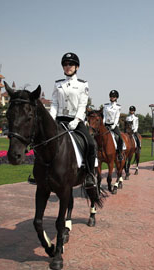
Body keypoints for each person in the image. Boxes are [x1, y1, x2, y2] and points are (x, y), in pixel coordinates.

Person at [50, 52, 97, 189]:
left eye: (70, 64)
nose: (67, 66)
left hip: (75, 121)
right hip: (59, 119)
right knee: (42, 141)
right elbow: (54, 103)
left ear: (77, 67)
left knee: (91, 143)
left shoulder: (83, 84)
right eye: (65, 64)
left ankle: (89, 174)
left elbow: (83, 104)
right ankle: (40, 173)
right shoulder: (57, 84)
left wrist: (76, 120)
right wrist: (52, 118)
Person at [103, 90, 123, 160]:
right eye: (111, 96)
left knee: (119, 138)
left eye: (113, 97)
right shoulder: (106, 105)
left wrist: (114, 125)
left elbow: (117, 117)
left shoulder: (118, 107)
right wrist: (103, 123)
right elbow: (104, 115)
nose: (112, 98)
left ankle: (120, 153)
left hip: (113, 125)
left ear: (116, 98)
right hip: (106, 124)